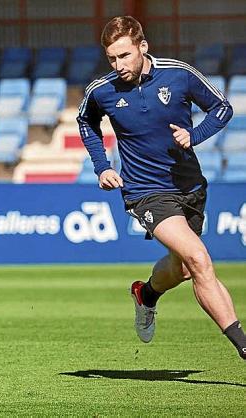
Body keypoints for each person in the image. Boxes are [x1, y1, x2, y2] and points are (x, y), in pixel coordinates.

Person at [77, 16, 246, 361]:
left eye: (124, 56)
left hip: (189, 186)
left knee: (182, 268)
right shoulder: (102, 90)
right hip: (145, 191)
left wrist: (194, 135)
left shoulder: (178, 74)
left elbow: (222, 108)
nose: (118, 65)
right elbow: (86, 121)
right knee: (199, 260)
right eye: (112, 58)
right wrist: (102, 166)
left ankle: (146, 294)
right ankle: (243, 344)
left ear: (143, 47)